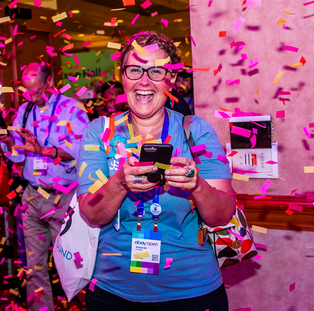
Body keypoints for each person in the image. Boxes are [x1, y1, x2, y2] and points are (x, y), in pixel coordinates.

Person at [77, 31, 235, 310]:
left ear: (171, 79)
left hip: (192, 292)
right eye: (135, 69)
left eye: (156, 71)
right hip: (114, 293)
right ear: (123, 76)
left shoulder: (195, 131)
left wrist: (197, 185)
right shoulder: (99, 132)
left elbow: (221, 215)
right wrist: (120, 183)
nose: (144, 81)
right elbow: (91, 213)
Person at [0, 62, 88, 311]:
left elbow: (79, 152)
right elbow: (18, 156)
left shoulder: (72, 109)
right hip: (32, 196)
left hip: (63, 199)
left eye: (36, 91)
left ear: (49, 82)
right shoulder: (24, 110)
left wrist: (44, 150)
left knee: (75, 267)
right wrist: (8, 141)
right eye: (26, 91)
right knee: (33, 267)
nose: (31, 96)